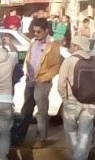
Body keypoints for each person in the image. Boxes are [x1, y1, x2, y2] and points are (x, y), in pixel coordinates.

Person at [57, 37, 95, 160]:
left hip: (71, 101)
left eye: (72, 45)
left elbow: (61, 83)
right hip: (90, 103)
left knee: (71, 131)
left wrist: (65, 98)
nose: (71, 47)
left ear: (77, 46)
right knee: (85, 134)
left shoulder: (69, 61)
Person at [16, 18, 63, 148]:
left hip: (42, 82)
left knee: (41, 112)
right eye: (34, 31)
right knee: (26, 110)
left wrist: (45, 78)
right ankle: (19, 136)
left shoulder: (53, 45)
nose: (36, 34)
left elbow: (55, 66)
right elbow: (29, 58)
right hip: (30, 80)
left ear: (46, 31)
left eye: (38, 31)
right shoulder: (33, 42)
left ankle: (41, 138)